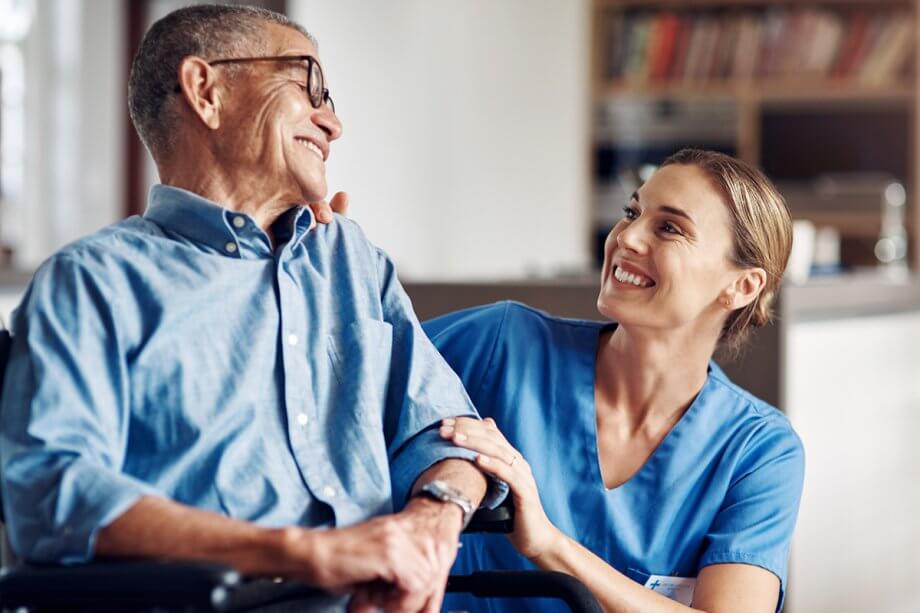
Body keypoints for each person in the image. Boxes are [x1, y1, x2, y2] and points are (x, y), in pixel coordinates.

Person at [0, 5, 503, 612]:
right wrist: (308, 553)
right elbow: (51, 493)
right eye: (308, 85)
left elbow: (450, 437)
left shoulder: (351, 260)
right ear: (206, 91)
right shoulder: (93, 283)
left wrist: (434, 519)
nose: (334, 122)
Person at [421, 150, 804, 612]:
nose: (626, 237)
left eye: (669, 228)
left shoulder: (758, 450)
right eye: (632, 212)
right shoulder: (501, 345)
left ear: (741, 287)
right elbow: (349, 365)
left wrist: (548, 544)